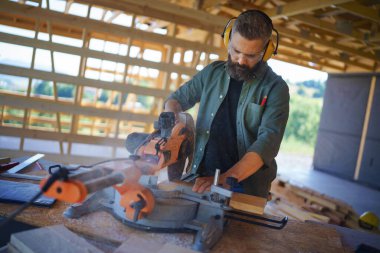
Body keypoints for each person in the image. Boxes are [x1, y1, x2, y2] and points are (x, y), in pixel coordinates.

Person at [164, 10, 289, 198]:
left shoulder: (275, 88)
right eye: (236, 51)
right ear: (228, 40)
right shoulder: (211, 73)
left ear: (267, 51)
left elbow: (267, 144)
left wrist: (224, 178)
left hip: (245, 189)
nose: (240, 60)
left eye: (251, 55)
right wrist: (173, 125)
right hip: (198, 177)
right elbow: (174, 100)